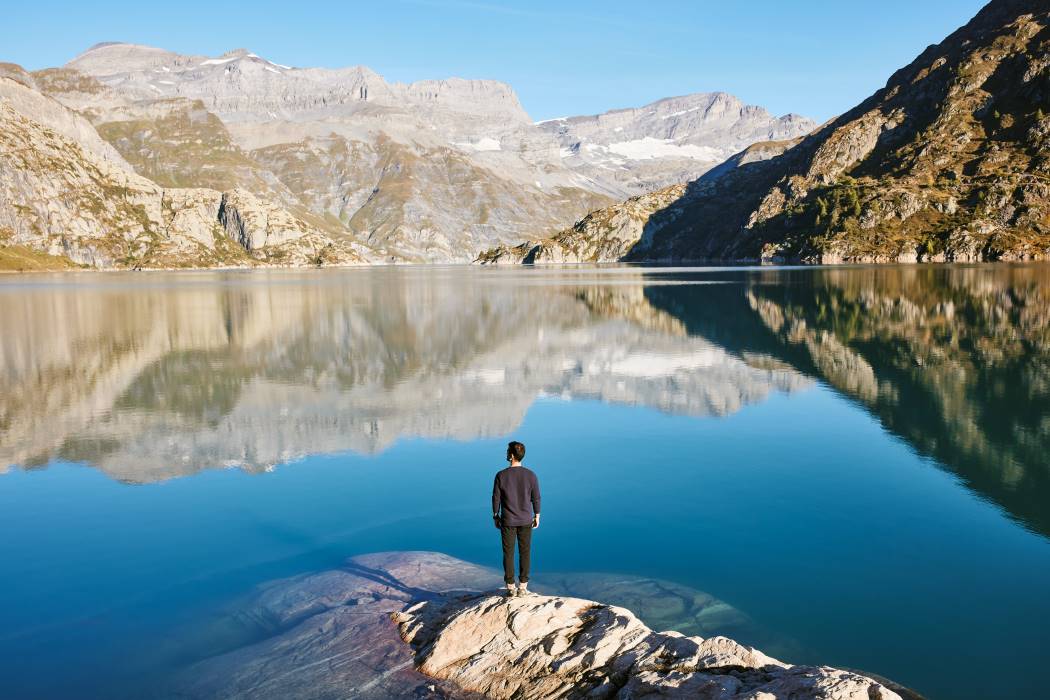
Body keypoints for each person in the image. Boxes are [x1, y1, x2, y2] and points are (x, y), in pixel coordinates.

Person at [492, 440, 540, 597]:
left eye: (507, 451)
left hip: (508, 521)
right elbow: (536, 497)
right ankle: (523, 587)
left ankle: (510, 587)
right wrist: (537, 514)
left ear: (511, 455)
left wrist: (495, 515)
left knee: (508, 553)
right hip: (526, 520)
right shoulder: (531, 475)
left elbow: (496, 498)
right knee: (525, 552)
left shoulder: (501, 475)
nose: (506, 453)